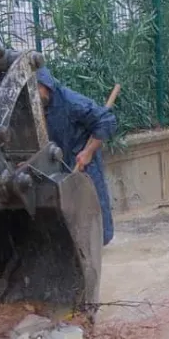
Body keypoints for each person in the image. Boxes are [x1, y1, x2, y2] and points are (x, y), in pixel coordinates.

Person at [36, 68, 118, 246]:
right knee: (70, 220)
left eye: (36, 88)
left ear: (46, 85)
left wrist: (88, 153)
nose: (34, 95)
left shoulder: (71, 102)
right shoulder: (37, 107)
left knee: (96, 221)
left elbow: (107, 121)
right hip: (59, 168)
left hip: (84, 164)